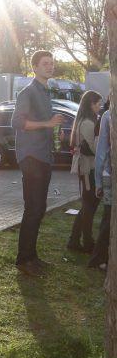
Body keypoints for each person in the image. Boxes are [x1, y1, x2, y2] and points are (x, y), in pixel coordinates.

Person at [11, 50, 63, 277]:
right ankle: (24, 259)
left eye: (52, 63)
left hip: (43, 156)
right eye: (45, 64)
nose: (50, 67)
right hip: (31, 158)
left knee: (39, 209)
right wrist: (47, 124)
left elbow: (44, 124)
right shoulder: (28, 92)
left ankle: (31, 256)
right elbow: (17, 122)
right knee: (33, 209)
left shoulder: (45, 92)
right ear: (35, 67)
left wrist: (53, 132)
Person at [67, 91, 102, 253]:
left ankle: (75, 241)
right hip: (88, 169)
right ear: (90, 104)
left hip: (87, 168)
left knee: (88, 206)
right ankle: (87, 243)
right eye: (98, 104)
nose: (100, 107)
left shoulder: (85, 120)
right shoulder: (88, 123)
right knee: (89, 207)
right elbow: (95, 148)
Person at [88, 108, 111, 270]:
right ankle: (99, 258)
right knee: (109, 218)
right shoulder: (109, 115)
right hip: (110, 173)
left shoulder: (108, 115)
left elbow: (101, 150)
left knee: (108, 218)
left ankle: (99, 258)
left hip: (109, 173)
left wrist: (98, 181)